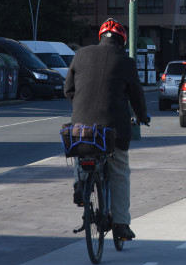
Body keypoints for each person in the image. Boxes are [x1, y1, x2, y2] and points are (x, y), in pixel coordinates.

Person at [63, 18, 149, 241]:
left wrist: (81, 109)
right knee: (119, 171)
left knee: (81, 150)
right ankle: (121, 224)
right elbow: (136, 95)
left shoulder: (81, 54)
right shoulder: (126, 62)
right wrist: (141, 116)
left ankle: (81, 186)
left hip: (81, 126)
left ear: (100, 38)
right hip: (113, 130)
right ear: (122, 41)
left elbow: (68, 89)